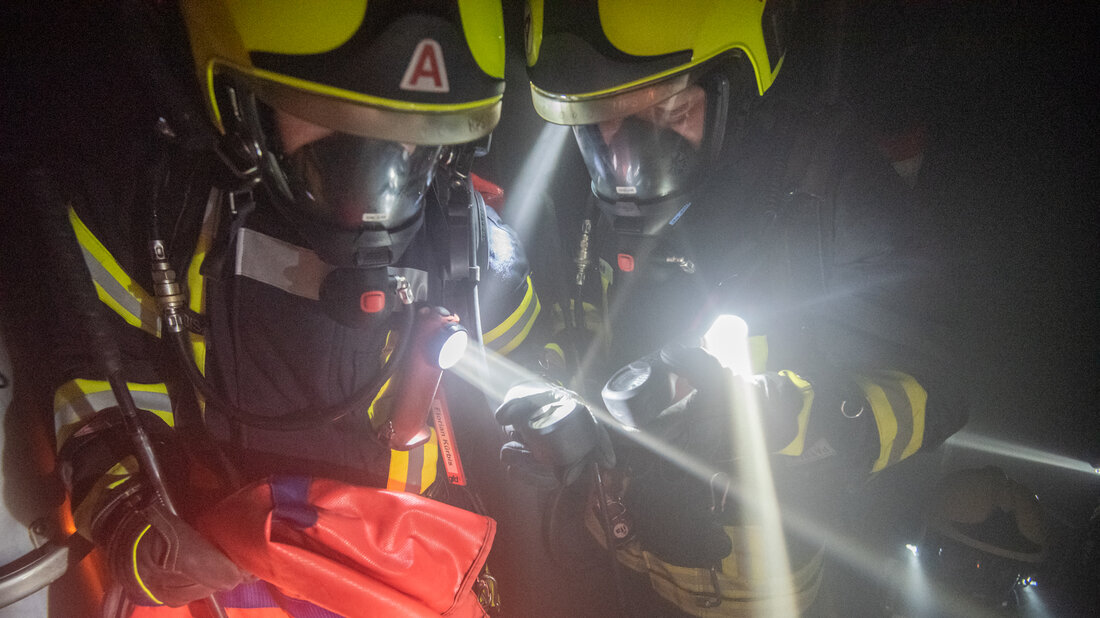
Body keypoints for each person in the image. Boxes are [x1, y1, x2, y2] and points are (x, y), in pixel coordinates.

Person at [9, 1, 542, 615]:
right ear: (239, 102)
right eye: (335, 121)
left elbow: (516, 376)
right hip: (227, 593)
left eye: (412, 139)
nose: (378, 174)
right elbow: (97, 383)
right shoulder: (151, 217)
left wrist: (549, 423)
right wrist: (132, 521)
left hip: (404, 589)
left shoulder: (472, 246)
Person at [495, 1, 969, 615]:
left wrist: (775, 417)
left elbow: (946, 388)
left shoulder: (829, 189)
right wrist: (555, 384)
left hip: (764, 592)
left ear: (732, 91)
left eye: (669, 109)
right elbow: (594, 327)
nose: (628, 154)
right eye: (605, 118)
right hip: (612, 558)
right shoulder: (595, 185)